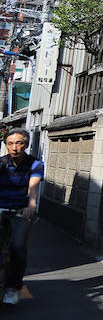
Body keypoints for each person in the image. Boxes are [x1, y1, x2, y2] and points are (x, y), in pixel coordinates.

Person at [1, 128, 43, 305]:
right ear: (6, 145)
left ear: (26, 144)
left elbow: (33, 187)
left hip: (21, 211)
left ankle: (13, 288)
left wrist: (31, 204)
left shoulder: (35, 164)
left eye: (19, 143)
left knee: (17, 248)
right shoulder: (2, 164)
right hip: (1, 209)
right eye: (10, 143)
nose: (15, 147)